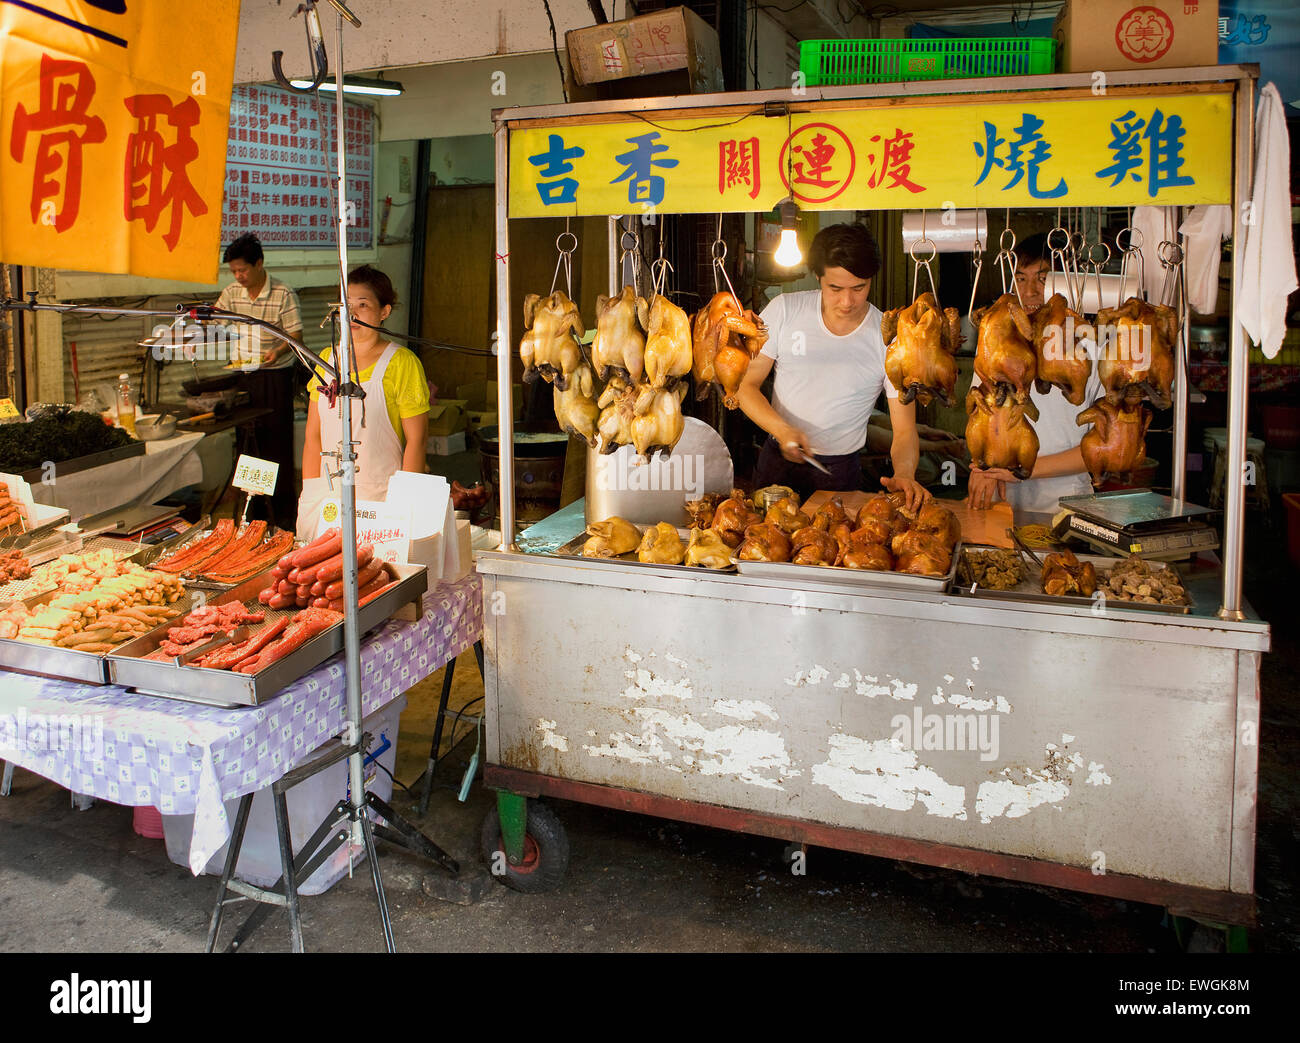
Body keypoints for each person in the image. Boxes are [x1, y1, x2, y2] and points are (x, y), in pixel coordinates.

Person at [737, 223, 928, 509]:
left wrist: (903, 473)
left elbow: (903, 430)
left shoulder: (890, 338)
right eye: (835, 288)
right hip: (777, 461)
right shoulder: (785, 311)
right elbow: (745, 386)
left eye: (859, 287)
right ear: (818, 277)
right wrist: (782, 430)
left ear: (871, 280)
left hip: (840, 471)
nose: (847, 301)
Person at [966, 233, 1104, 513]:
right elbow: (980, 416)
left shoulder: (1088, 345)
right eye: (1020, 278)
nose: (1029, 291)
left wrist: (1025, 471)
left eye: (1042, 278)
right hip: (1001, 498)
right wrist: (982, 466)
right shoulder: (995, 344)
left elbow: (1102, 447)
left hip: (1064, 501)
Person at [297, 265, 430, 536]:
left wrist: (405, 504)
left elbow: (417, 440)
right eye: (345, 305)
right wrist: (310, 495)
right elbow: (313, 437)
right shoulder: (325, 360)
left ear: (384, 311)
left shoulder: (401, 363)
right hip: (328, 500)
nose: (352, 314)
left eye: (363, 304)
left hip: (382, 501)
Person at [215, 233, 303, 531]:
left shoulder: (283, 293)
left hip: (275, 376)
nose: (239, 277)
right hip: (244, 375)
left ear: (259, 263)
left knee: (275, 444)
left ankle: (283, 516)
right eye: (234, 271)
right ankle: (254, 516)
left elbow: (295, 338)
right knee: (247, 444)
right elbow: (217, 321)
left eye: (243, 270)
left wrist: (275, 351)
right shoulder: (231, 293)